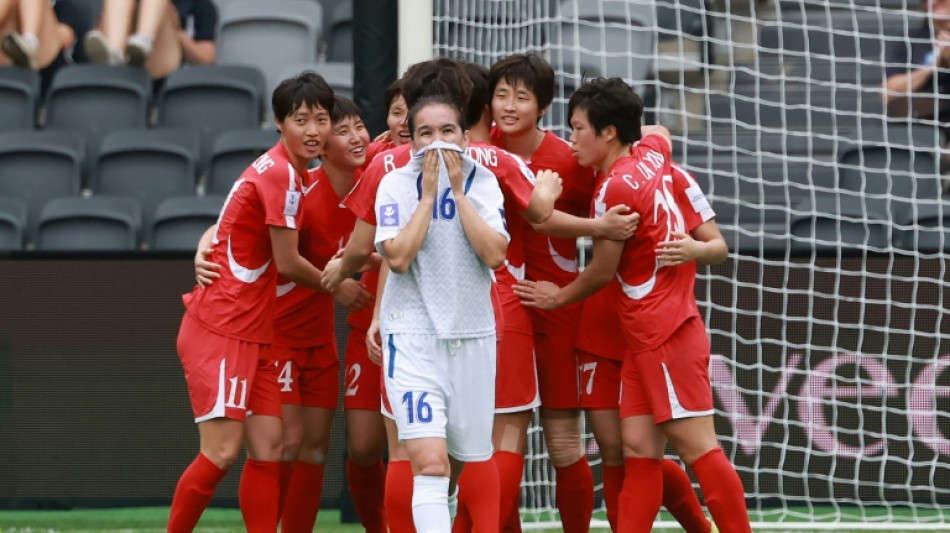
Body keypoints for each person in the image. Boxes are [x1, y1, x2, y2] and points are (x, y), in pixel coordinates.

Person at [515, 77, 751, 533]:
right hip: (644, 336)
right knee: (639, 449)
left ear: (607, 133)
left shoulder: (614, 191)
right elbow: (661, 132)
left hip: (664, 332)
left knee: (700, 448)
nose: (571, 138)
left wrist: (556, 297)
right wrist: (697, 249)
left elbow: (602, 272)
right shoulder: (652, 154)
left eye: (578, 127)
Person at [193, 94, 373, 533]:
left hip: (321, 338)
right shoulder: (302, 191)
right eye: (341, 129)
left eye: (357, 126)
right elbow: (235, 223)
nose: (355, 137)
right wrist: (203, 244)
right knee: (284, 445)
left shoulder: (379, 180)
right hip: (280, 334)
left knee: (314, 449)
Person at [167, 71, 335, 533]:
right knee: (220, 451)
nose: (313, 130)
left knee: (270, 447)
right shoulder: (281, 173)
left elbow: (227, 229)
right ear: (279, 124)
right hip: (220, 328)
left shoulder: (290, 172)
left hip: (255, 332)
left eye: (321, 119)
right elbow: (288, 263)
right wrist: (338, 283)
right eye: (301, 119)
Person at [375, 93, 508, 533]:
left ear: (466, 137)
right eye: (426, 134)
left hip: (472, 339)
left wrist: (457, 192)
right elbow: (397, 257)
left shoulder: (485, 183)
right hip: (411, 338)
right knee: (429, 463)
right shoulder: (393, 185)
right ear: (411, 142)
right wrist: (428, 196)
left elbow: (494, 255)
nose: (437, 143)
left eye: (447, 131)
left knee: (460, 463)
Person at [488, 52, 598, 533]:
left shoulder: (569, 159)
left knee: (563, 444)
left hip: (556, 313)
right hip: (495, 308)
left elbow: (613, 217)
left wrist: (567, 291)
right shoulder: (479, 148)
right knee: (494, 443)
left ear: (544, 107)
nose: (509, 106)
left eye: (522, 97)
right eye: (501, 94)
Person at [84, 0, 216, 81]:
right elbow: (96, 41)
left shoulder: (199, 4)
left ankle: (144, 40)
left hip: (165, 72)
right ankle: (114, 53)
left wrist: (179, 35)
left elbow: (207, 58)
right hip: (120, 68)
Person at [884, 0, 950, 152]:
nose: (934, 2)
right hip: (916, 129)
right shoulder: (912, 39)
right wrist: (931, 67)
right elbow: (888, 92)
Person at [0, 0, 71, 91]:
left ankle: (30, 42)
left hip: (45, 67)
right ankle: (27, 45)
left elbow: (66, 38)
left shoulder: (63, 4)